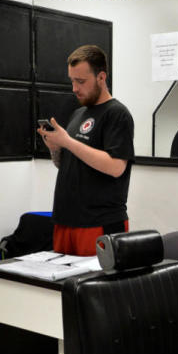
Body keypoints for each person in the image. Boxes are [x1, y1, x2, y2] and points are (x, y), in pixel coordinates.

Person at [37, 45, 135, 256]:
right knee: (64, 288)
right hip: (66, 220)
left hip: (99, 222)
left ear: (101, 77)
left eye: (81, 81)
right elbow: (67, 164)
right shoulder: (78, 113)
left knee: (97, 287)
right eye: (72, 80)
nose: (74, 88)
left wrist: (69, 142)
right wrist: (56, 148)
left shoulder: (117, 114)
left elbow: (116, 166)